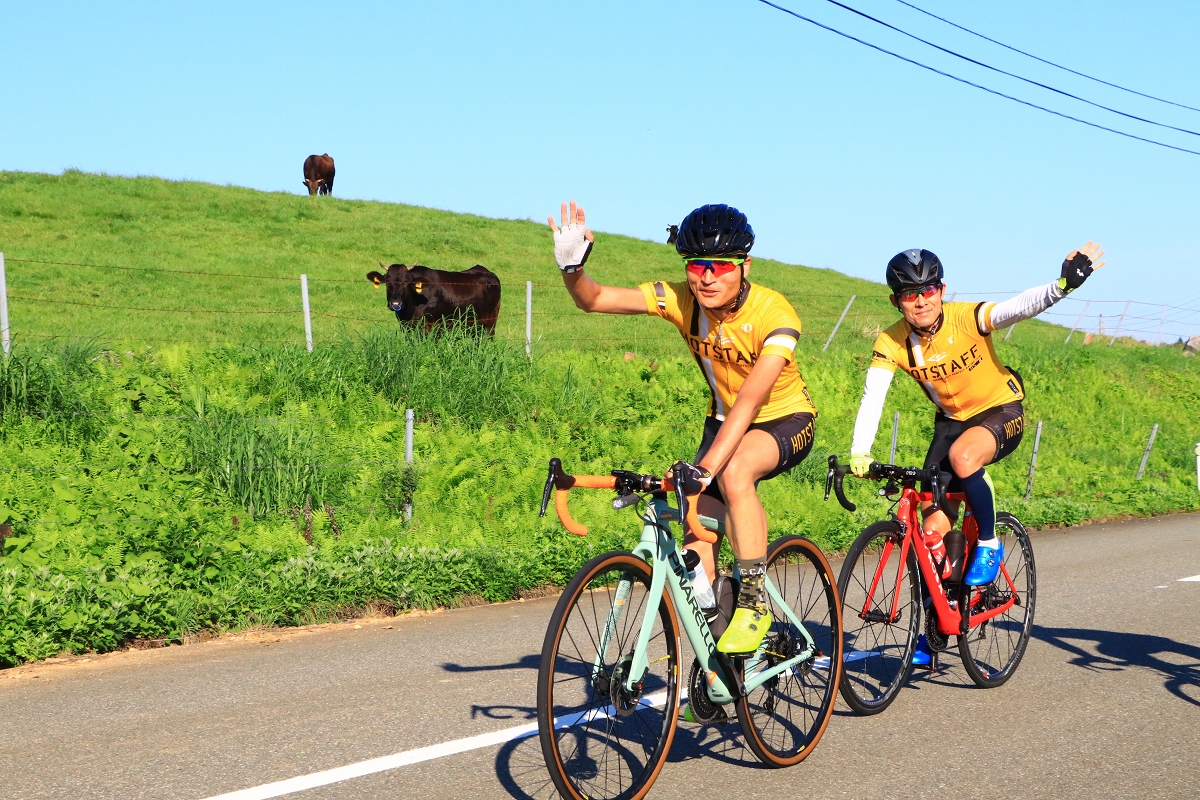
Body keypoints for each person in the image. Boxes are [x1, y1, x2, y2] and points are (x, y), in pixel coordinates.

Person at [548, 200, 818, 655]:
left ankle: (753, 601)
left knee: (734, 474)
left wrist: (706, 468)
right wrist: (572, 266)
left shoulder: (776, 313)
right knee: (697, 533)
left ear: (745, 265)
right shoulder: (679, 298)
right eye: (697, 265)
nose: (707, 277)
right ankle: (719, 649)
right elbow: (593, 299)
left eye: (721, 266)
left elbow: (750, 400)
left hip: (784, 419)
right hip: (721, 422)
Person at [848, 243, 1104, 664]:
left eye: (928, 290)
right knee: (929, 531)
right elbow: (873, 396)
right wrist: (860, 450)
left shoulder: (967, 318)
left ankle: (988, 542)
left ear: (942, 289)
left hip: (1001, 410)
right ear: (896, 301)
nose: (921, 300)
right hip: (950, 423)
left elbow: (1015, 309)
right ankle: (935, 627)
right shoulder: (891, 341)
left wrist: (1061, 286)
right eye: (910, 294)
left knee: (966, 458)